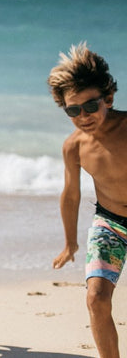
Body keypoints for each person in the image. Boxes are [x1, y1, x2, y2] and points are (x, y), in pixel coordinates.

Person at [49, 43, 127, 358]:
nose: (83, 116)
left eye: (90, 106)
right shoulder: (74, 147)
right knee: (96, 298)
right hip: (109, 223)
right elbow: (71, 195)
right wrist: (70, 243)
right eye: (73, 110)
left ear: (107, 98)